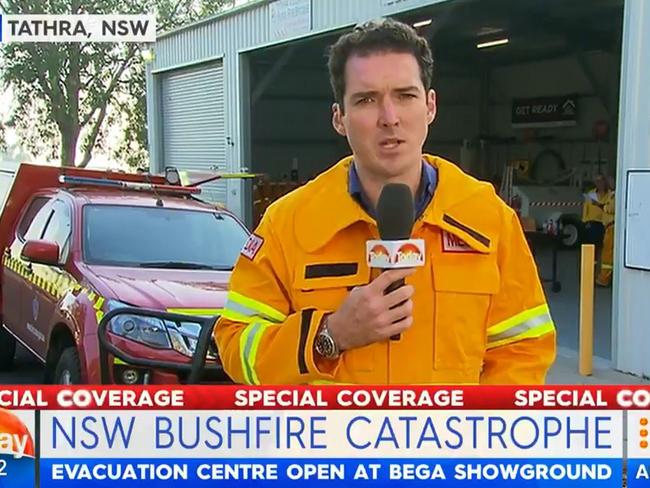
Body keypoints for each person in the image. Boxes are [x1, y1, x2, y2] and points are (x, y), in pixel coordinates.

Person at [214, 18, 556, 385]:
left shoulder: (490, 219)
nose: (389, 118)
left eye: (405, 96)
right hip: (331, 443)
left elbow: (524, 349)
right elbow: (235, 347)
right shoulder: (288, 222)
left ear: (430, 106)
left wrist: (473, 434)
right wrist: (329, 336)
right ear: (339, 118)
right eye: (366, 100)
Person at [594, 176, 616, 287]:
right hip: (609, 227)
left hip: (611, 227)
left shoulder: (614, 195)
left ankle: (604, 279)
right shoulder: (611, 194)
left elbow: (613, 208)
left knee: (607, 255)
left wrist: (603, 207)